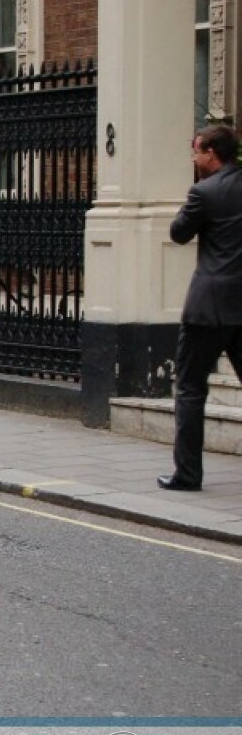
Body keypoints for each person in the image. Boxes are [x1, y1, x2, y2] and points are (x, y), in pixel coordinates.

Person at [159, 124, 242, 491]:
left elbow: (178, 233)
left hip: (207, 307)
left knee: (191, 389)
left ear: (211, 153)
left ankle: (188, 475)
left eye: (196, 151)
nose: (193, 157)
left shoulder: (203, 192)